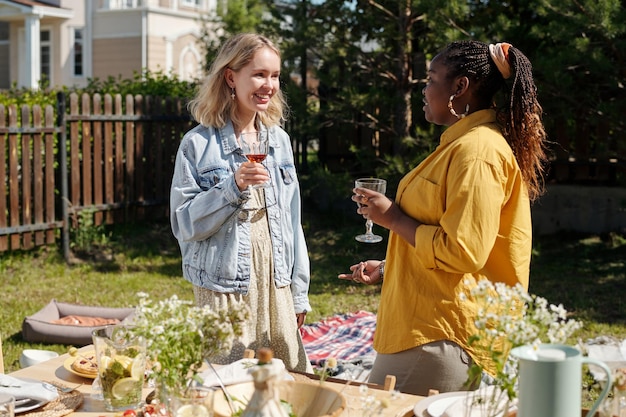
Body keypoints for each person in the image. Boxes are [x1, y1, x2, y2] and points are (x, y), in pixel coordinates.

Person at [339, 40, 548, 395]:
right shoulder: (460, 145)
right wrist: (391, 266)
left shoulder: (477, 152)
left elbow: (464, 251)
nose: (424, 89)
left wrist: (392, 219)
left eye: (431, 79)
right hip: (427, 327)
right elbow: (446, 235)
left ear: (460, 87)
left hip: (439, 336)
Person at [170, 33, 313, 373]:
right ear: (231, 77)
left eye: (275, 75)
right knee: (226, 385)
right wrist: (232, 186)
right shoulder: (197, 144)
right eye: (260, 74)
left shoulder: (279, 140)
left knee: (287, 378)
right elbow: (184, 224)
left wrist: (298, 291)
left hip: (275, 277)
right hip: (224, 284)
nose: (269, 85)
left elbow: (293, 222)